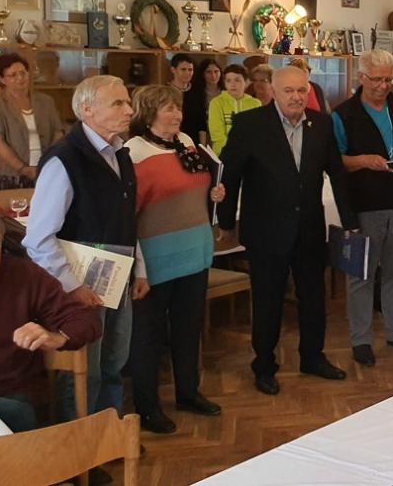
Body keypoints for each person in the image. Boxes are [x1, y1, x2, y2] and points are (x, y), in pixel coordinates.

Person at [217, 67, 358, 396]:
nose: (296, 97)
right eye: (288, 91)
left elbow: (337, 174)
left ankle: (313, 357)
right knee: (268, 302)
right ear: (273, 92)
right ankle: (264, 365)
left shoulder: (321, 123)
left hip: (309, 228)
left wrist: (350, 220)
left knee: (313, 298)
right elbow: (230, 175)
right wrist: (225, 223)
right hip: (266, 231)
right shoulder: (250, 124)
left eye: (301, 90)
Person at [22, 76, 136, 423]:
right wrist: (73, 286)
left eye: (128, 102)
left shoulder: (120, 153)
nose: (129, 110)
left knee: (114, 363)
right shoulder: (64, 159)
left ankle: (109, 433)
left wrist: (140, 269)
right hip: (80, 282)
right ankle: (80, 443)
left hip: (117, 275)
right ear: (87, 110)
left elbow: (128, 219)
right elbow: (38, 238)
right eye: (118, 103)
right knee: (86, 370)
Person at [125, 85, 226, 434]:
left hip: (194, 251)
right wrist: (138, 268)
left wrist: (214, 193)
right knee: (149, 336)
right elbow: (127, 215)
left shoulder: (186, 142)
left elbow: (195, 188)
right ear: (148, 113)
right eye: (168, 109)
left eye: (178, 108)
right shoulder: (133, 152)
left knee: (188, 328)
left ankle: (188, 392)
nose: (176, 115)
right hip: (155, 260)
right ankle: (147, 406)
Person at [331, 50, 393, 367]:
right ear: (361, 77)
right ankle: (361, 340)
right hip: (365, 205)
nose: (384, 86)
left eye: (389, 80)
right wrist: (362, 161)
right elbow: (336, 160)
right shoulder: (343, 114)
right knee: (362, 274)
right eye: (377, 80)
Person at [0, 219, 102, 434]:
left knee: (16, 414)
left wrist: (58, 337)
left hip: (11, 396)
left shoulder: (23, 275)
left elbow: (84, 319)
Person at [0, 53, 65, 189]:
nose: (20, 78)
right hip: (12, 174)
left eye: (23, 73)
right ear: (2, 79)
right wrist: (23, 168)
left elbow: (58, 133)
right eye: (13, 75)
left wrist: (48, 160)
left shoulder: (46, 101)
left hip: (46, 169)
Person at [208, 64, 262, 155]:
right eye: (228, 81)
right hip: (222, 153)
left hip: (249, 155)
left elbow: (257, 132)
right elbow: (217, 134)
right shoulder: (216, 103)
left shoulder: (255, 103)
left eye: (237, 80)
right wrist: (233, 151)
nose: (232, 84)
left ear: (246, 82)